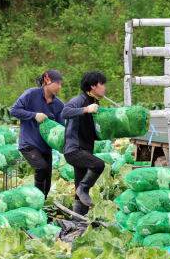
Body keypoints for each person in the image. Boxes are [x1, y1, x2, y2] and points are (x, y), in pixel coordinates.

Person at [10, 70, 65, 197]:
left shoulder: (58, 104)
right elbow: (14, 111)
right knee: (41, 168)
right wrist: (34, 115)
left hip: (46, 146)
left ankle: (42, 204)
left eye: (61, 84)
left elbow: (62, 127)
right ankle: (37, 198)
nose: (59, 87)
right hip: (28, 143)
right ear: (46, 82)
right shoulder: (31, 94)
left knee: (47, 183)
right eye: (56, 83)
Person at [61, 71, 107, 216]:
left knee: (80, 196)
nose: (104, 87)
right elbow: (64, 112)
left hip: (85, 150)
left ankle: (78, 222)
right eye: (102, 84)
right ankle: (84, 188)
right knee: (98, 165)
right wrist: (86, 109)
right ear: (93, 86)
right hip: (74, 150)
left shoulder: (96, 102)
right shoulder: (80, 100)